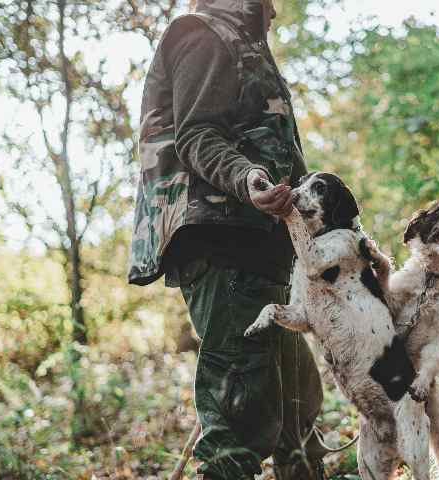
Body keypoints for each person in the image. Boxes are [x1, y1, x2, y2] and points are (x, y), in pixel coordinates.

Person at [127, 0, 326, 478]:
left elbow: (281, 154)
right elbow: (196, 134)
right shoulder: (202, 33)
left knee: (297, 412)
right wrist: (249, 178)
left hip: (262, 253)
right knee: (240, 423)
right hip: (226, 247)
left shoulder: (246, 44)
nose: (275, 11)